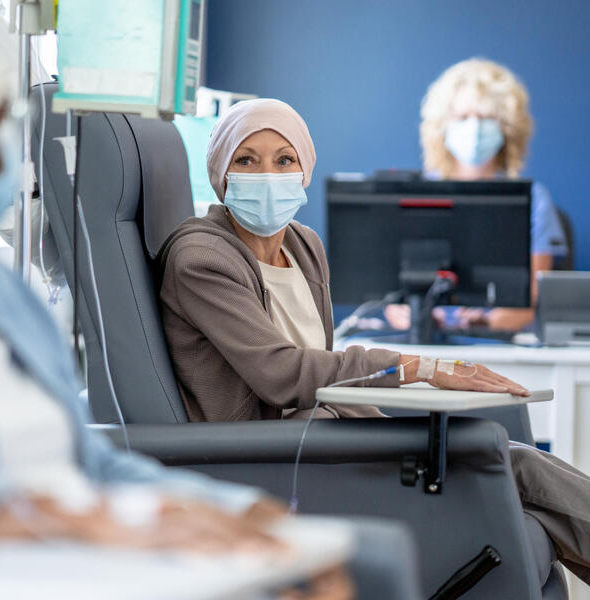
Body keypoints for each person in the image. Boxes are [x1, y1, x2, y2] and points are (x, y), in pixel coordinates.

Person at [0, 3, 337, 599]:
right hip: (1, 575)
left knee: (316, 573)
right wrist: (28, 516)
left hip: (92, 567)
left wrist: (237, 511)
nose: (9, 148)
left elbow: (94, 467)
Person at [158, 97, 590, 583]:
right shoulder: (200, 258)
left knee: (510, 458)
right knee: (517, 467)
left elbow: (322, 370)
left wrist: (390, 430)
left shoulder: (303, 245)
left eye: (284, 160)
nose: (266, 175)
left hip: (320, 437)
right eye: (246, 160)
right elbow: (282, 375)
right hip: (273, 458)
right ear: (221, 172)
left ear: (304, 170)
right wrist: (419, 369)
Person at [386, 58, 568, 332]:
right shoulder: (417, 195)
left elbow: (528, 302)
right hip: (425, 343)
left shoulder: (533, 199)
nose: (474, 128)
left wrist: (482, 323)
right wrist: (402, 311)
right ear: (442, 125)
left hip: (499, 347)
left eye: (486, 118)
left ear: (508, 127)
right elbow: (390, 292)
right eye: (462, 117)